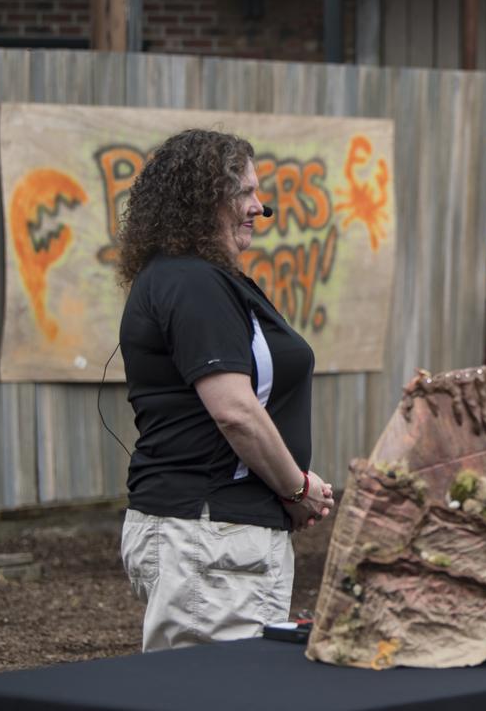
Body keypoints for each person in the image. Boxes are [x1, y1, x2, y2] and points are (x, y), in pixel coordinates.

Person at [116, 128, 335, 651]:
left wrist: (293, 476)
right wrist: (297, 488)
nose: (260, 208)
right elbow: (235, 411)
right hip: (209, 536)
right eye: (245, 193)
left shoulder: (199, 278)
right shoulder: (191, 282)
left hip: (213, 535)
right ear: (199, 201)